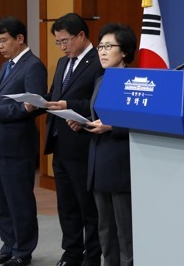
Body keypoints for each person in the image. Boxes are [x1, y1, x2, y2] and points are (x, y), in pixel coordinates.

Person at [0, 16, 47, 266]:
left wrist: (1, 112)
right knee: (0, 201)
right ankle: (8, 245)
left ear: (20, 38)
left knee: (19, 200)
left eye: (3, 40)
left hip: (16, 145)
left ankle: (23, 251)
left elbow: (35, 106)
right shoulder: (7, 66)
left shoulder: (33, 66)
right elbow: (2, 100)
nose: (0, 46)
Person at [68, 23, 137, 266]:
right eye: (100, 47)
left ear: (125, 51)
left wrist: (111, 127)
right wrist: (83, 123)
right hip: (98, 163)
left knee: (125, 232)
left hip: (121, 164)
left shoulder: (136, 81)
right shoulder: (100, 79)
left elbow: (142, 123)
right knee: (105, 230)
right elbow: (99, 114)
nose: (102, 51)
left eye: (109, 46)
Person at [42, 13, 104, 266]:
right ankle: (71, 253)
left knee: (87, 208)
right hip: (60, 144)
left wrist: (70, 105)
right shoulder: (62, 63)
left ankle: (92, 256)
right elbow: (55, 95)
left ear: (81, 35)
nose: (62, 46)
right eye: (58, 42)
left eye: (65, 41)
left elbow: (98, 102)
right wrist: (38, 102)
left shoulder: (99, 62)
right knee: (66, 206)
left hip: (83, 145)